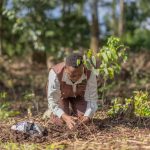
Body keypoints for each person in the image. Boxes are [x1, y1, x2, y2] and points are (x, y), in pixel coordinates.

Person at [45, 52, 98, 130]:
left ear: (83, 67)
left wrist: (87, 116)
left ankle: (72, 111)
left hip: (79, 95)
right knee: (60, 122)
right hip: (60, 96)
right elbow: (53, 101)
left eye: (80, 74)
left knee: (83, 119)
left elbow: (92, 99)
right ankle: (56, 112)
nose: (76, 78)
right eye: (72, 75)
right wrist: (65, 117)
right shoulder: (55, 73)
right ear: (65, 69)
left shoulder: (90, 72)